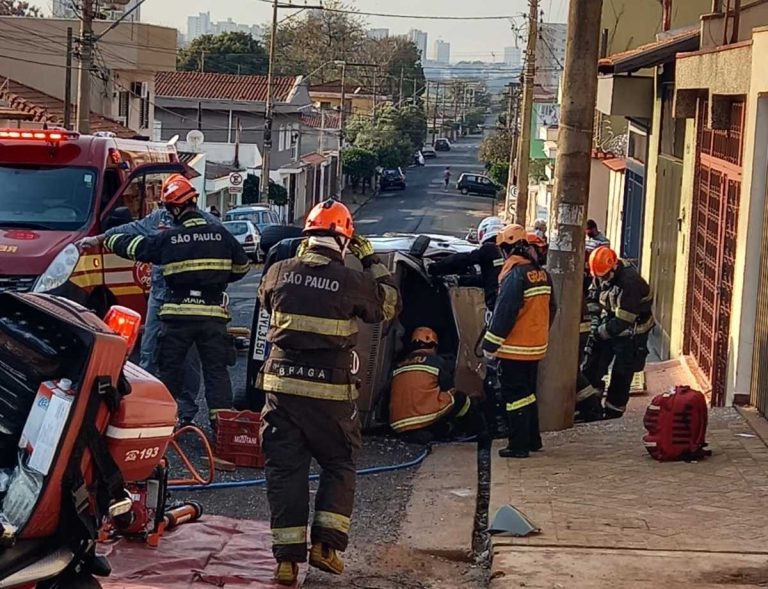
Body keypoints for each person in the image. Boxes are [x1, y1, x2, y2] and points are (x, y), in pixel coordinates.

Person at [257, 199, 400, 585]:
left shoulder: (279, 271)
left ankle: (286, 561)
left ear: (307, 237)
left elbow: (265, 300)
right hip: (330, 393)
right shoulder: (353, 281)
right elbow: (387, 307)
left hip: (281, 388)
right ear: (345, 240)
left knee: (286, 470)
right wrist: (370, 261)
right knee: (338, 463)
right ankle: (326, 546)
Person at [104, 174, 250, 429]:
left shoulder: (168, 238)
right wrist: (217, 278)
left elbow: (126, 244)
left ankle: (162, 425)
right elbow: (242, 267)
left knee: (168, 371)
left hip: (176, 316)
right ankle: (222, 431)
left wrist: (107, 239)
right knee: (216, 372)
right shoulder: (220, 234)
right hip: (212, 316)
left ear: (175, 208)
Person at [78, 195, 221, 426]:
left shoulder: (207, 223)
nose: (168, 209)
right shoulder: (160, 217)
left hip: (187, 296)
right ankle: (142, 406)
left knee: (187, 356)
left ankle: (185, 413)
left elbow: (224, 245)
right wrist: (97, 239)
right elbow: (131, 229)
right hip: (160, 294)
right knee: (149, 350)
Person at [482, 224, 556, 458]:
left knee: (515, 398)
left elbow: (505, 313)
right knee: (528, 394)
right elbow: (552, 308)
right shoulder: (541, 274)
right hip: (535, 347)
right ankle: (533, 439)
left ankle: (518, 445)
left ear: (507, 249)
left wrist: (490, 346)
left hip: (514, 349)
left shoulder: (515, 275)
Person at [579, 246, 655, 419]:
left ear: (613, 267)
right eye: (598, 277)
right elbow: (593, 297)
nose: (602, 280)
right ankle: (592, 408)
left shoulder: (630, 282)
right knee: (593, 366)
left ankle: (613, 413)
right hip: (611, 324)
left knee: (622, 374)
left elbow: (623, 321)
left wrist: (598, 333)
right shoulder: (601, 273)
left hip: (632, 334)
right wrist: (595, 320)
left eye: (605, 276)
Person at [389, 327, 473, 444]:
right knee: (461, 399)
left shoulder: (399, 364)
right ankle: (463, 431)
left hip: (398, 426)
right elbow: (449, 388)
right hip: (424, 421)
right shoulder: (436, 361)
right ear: (434, 345)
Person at [428, 216, 505, 316]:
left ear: (483, 232)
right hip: (505, 303)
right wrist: (459, 280)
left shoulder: (489, 248)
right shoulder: (504, 251)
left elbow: (465, 259)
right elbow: (488, 278)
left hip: (497, 305)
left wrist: (436, 267)